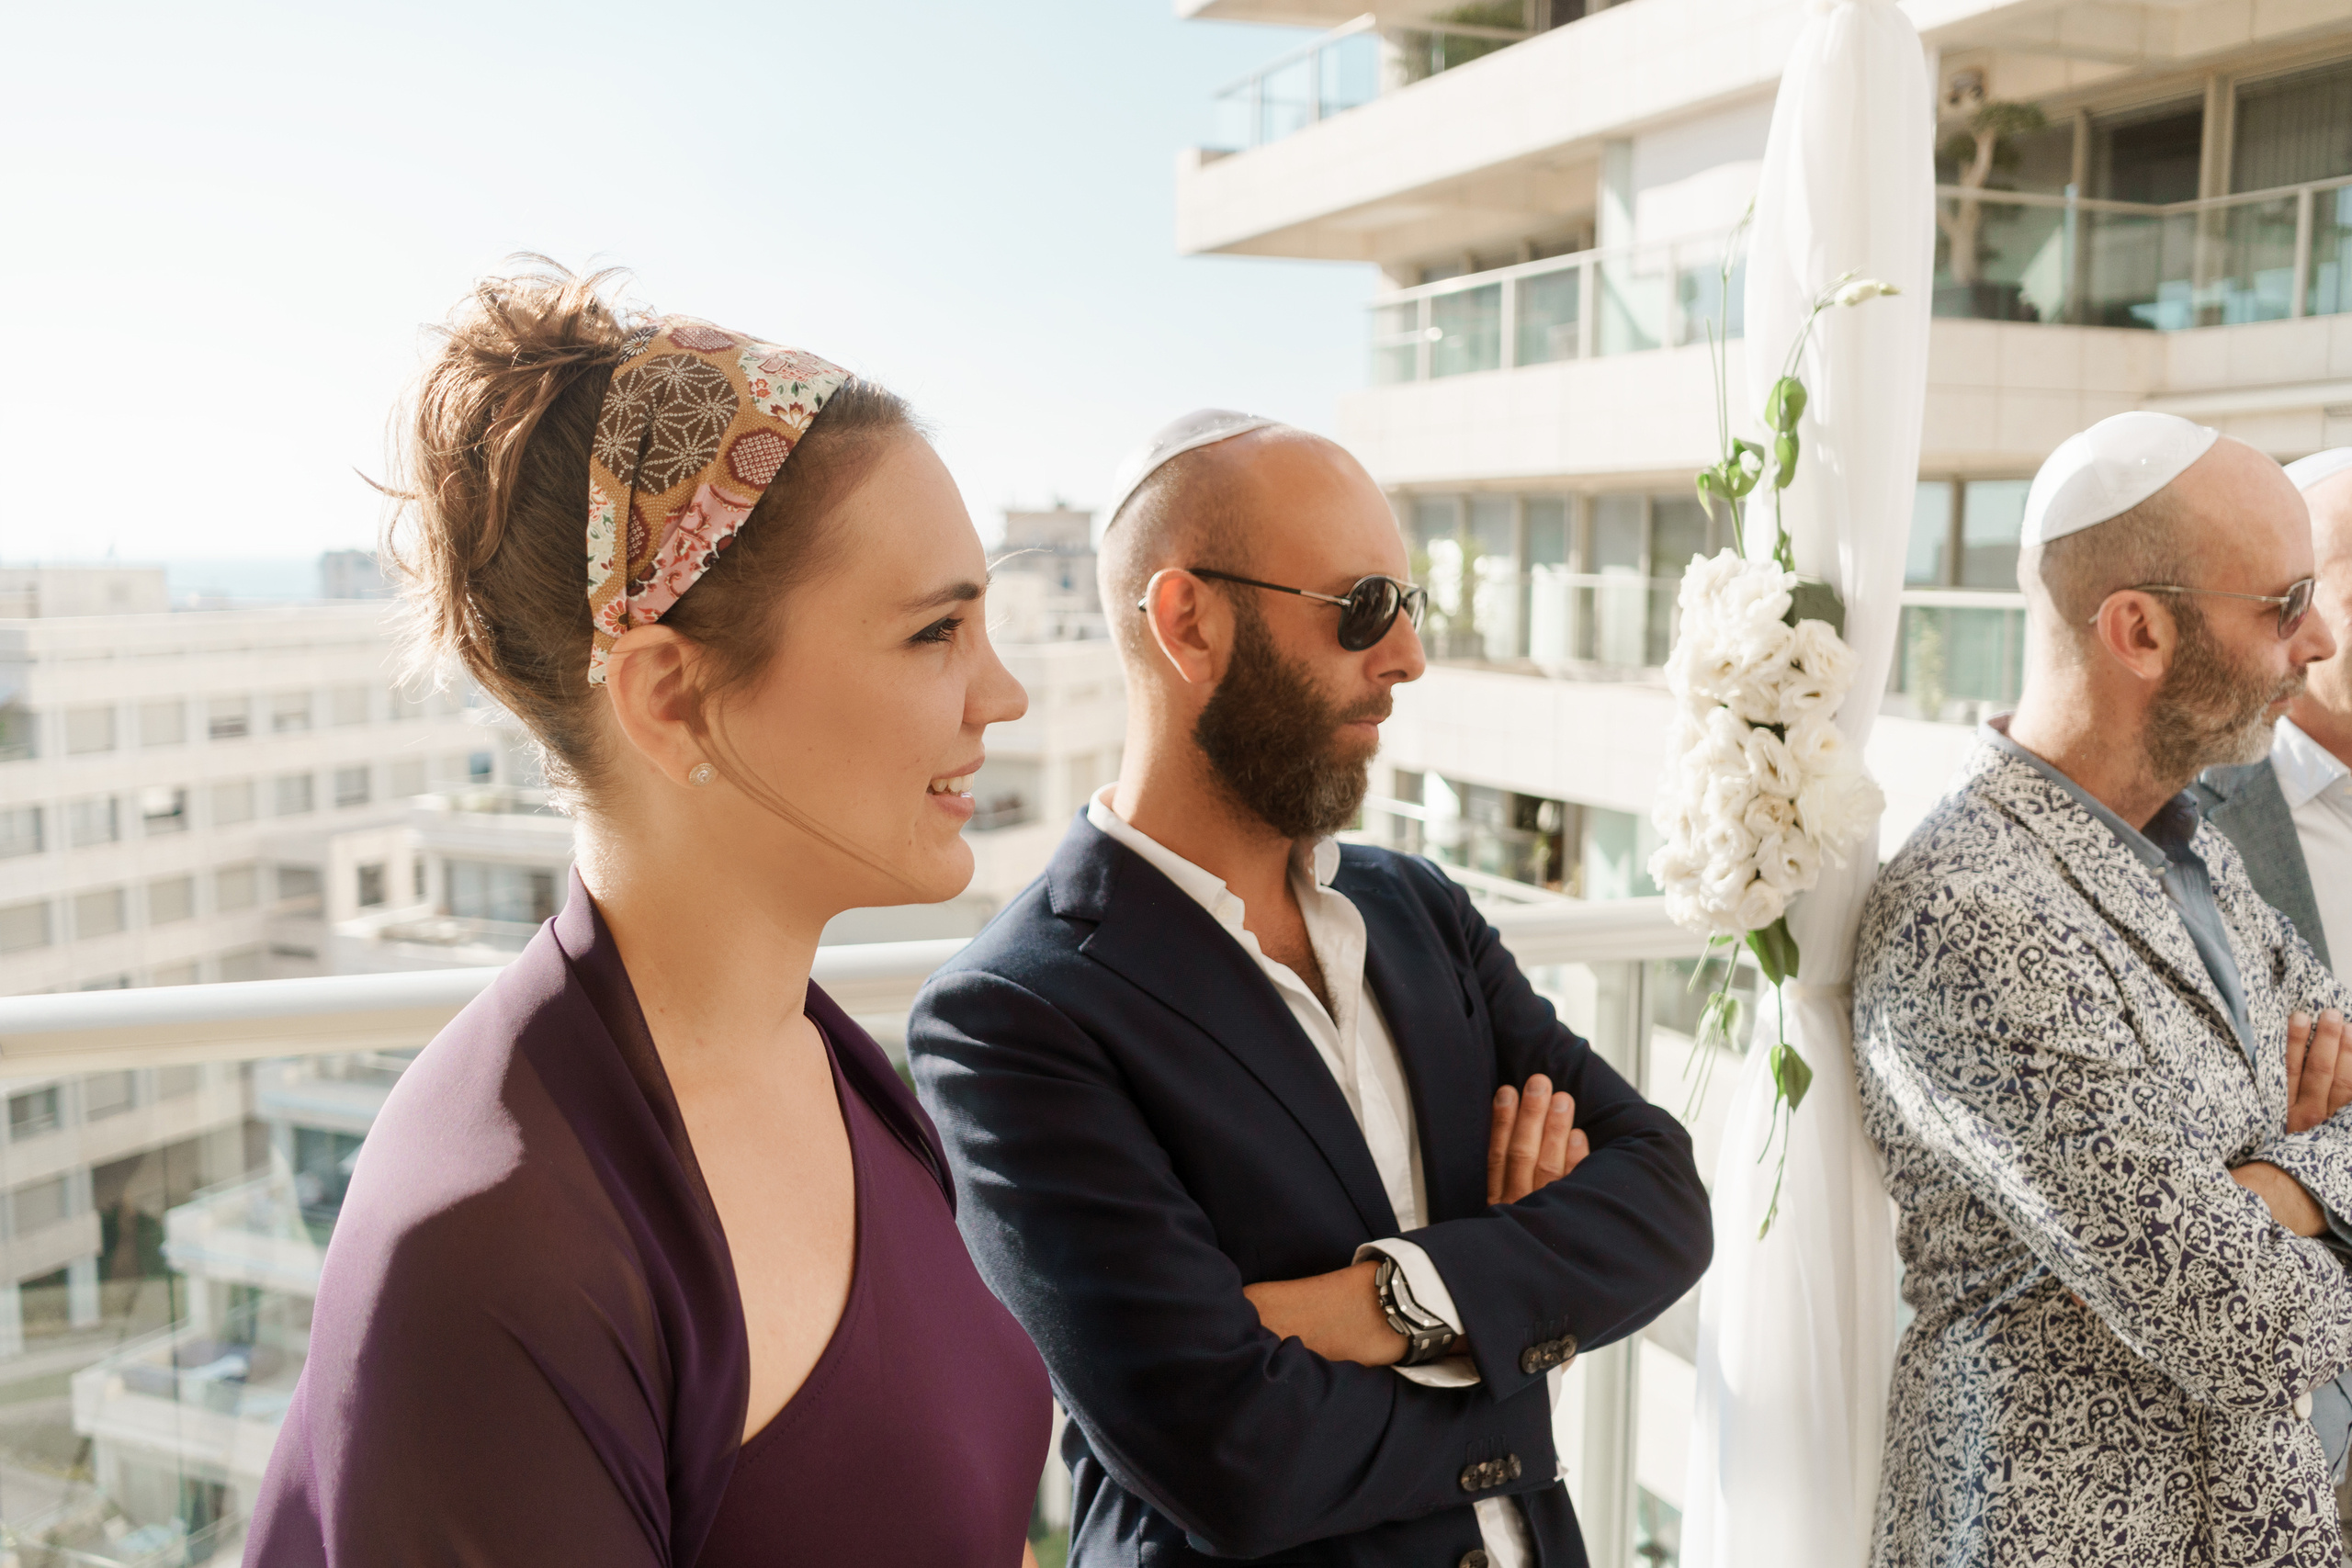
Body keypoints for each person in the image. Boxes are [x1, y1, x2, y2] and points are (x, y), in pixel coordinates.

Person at [244, 268, 1051, 1565]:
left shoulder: (832, 1066)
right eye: (935, 632)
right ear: (668, 695)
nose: (1001, 693)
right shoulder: (496, 1247)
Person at [907, 410, 1713, 1568]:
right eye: (1363, 610)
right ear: (1190, 622)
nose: (1407, 658)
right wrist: (1515, 1308)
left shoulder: (1417, 912)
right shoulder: (1011, 1019)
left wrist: (1387, 1304)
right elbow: (1235, 1454)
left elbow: (1662, 1201)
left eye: (1409, 608)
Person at [1855, 410, 2352, 1568]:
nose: (2317, 640)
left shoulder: (2195, 849)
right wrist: (2297, 1179)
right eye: (2284, 605)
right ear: (2137, 631)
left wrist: (2258, 1195)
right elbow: (2236, 1325)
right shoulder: (1965, 911)